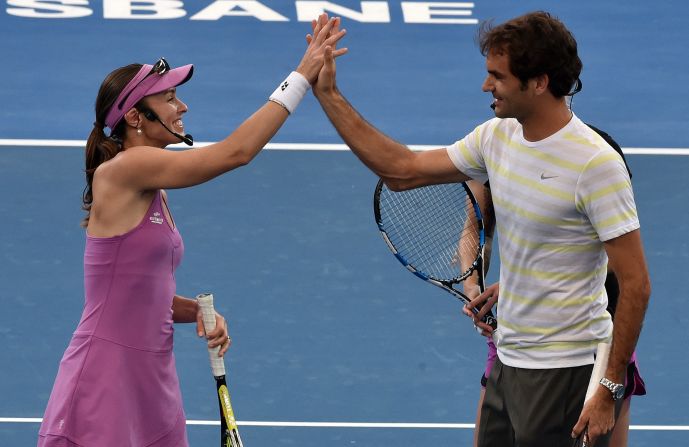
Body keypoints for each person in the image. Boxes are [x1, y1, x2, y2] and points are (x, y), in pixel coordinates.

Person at [310, 10, 651, 447]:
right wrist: (329, 94)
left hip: (565, 368)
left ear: (540, 82)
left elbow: (636, 284)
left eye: (498, 76)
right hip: (509, 359)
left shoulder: (595, 164)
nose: (486, 86)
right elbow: (402, 171)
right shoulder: (496, 136)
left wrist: (608, 387)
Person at [37, 15, 347, 447]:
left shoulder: (153, 187)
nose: (182, 107)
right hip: (105, 375)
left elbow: (135, 291)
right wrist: (300, 77)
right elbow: (235, 153)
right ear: (135, 117)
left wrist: (194, 312)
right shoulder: (128, 167)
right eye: (169, 98)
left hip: (153, 379)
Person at [466, 128, 646, 447]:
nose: (489, 88)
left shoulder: (595, 155)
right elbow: (475, 232)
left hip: (597, 340)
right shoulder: (494, 149)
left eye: (498, 77)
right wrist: (472, 288)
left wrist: (526, 284)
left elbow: (605, 256)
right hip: (516, 340)